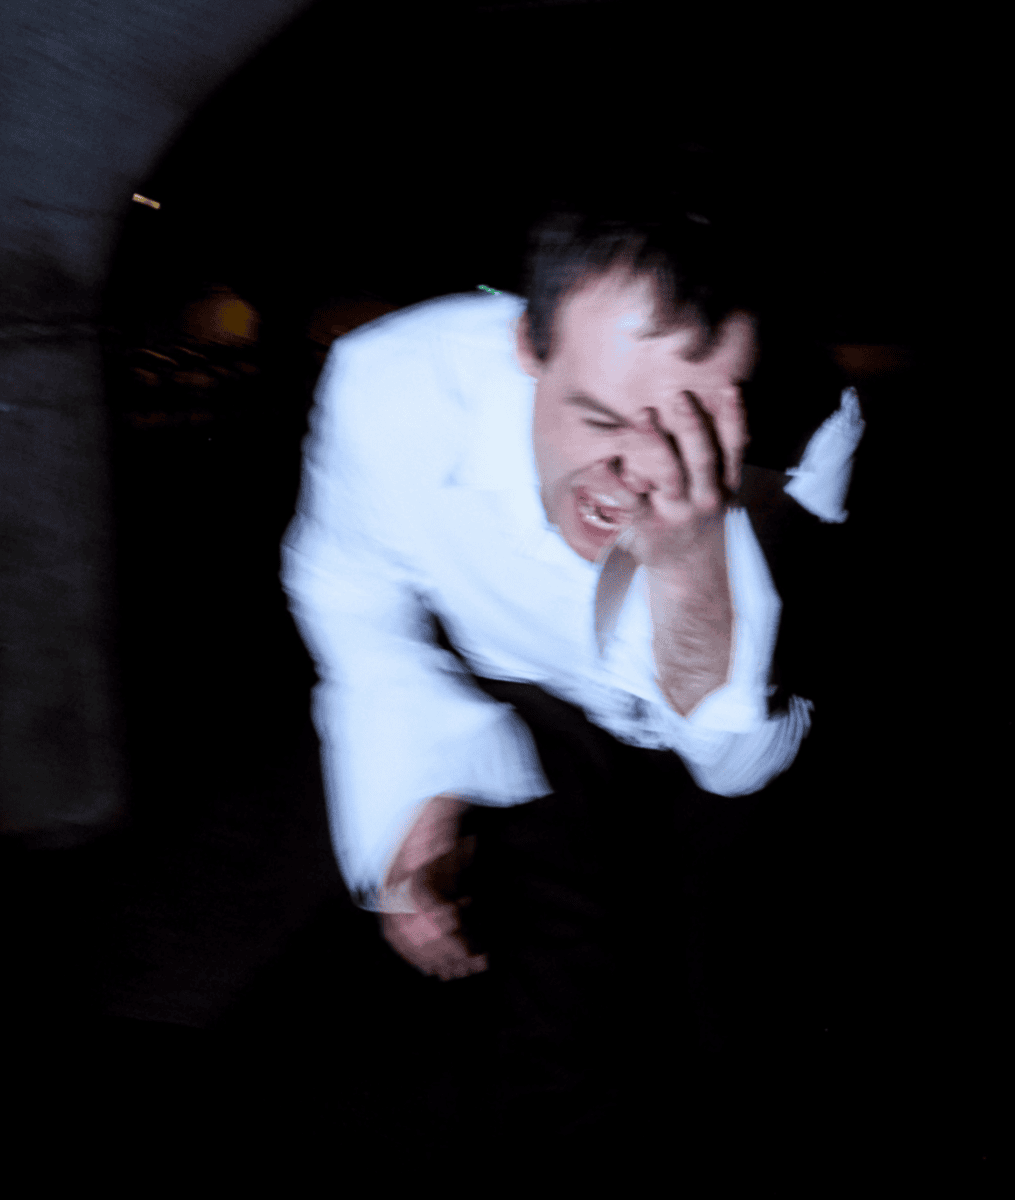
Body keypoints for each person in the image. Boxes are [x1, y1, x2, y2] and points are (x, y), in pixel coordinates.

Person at [280, 206, 864, 1172]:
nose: (632, 476)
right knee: (548, 1013)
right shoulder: (395, 387)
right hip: (533, 697)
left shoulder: (809, 428)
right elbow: (349, 592)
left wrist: (691, 561)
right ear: (528, 345)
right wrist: (410, 785)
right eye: (597, 418)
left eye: (687, 434)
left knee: (736, 999)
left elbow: (734, 762)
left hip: (709, 712)